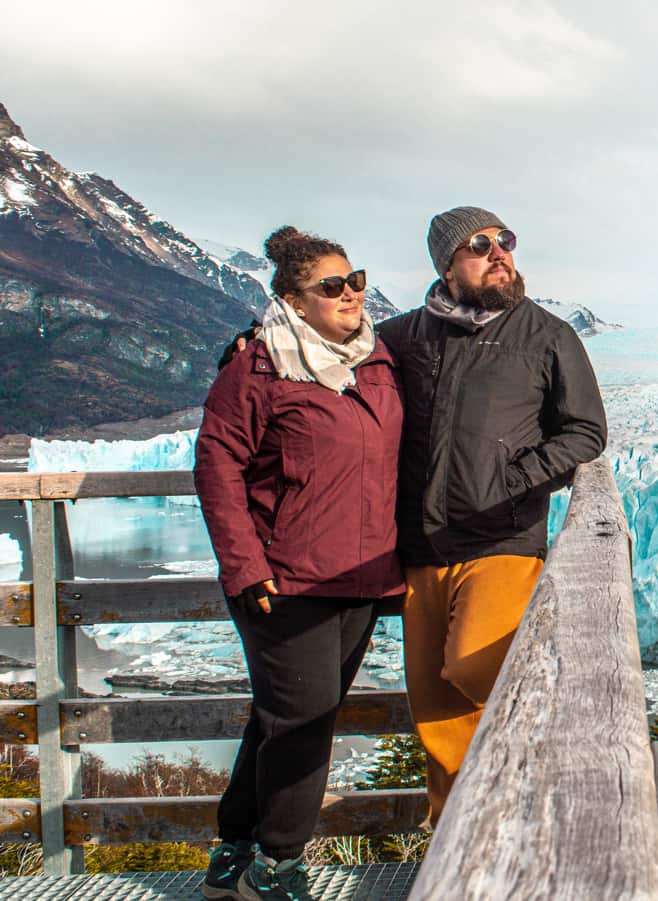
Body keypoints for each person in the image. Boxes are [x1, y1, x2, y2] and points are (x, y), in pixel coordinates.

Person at [377, 206, 607, 825]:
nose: (498, 251)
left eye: (504, 240)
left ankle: (552, 777)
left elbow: (585, 431)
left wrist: (516, 479)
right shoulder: (400, 339)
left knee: (476, 664)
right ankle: (458, 843)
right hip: (421, 550)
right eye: (479, 245)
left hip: (502, 537)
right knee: (436, 713)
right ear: (447, 266)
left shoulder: (547, 335)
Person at [195, 227, 404, 901]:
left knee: (282, 715)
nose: (351, 294)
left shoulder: (376, 359)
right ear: (290, 299)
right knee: (306, 719)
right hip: (284, 579)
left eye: (357, 280)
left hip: (361, 576)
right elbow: (218, 464)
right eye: (332, 286)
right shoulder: (257, 367)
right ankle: (277, 865)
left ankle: (234, 846)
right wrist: (245, 565)